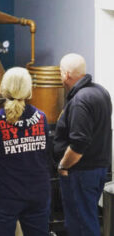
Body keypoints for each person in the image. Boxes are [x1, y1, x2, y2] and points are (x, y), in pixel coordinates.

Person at [0, 67, 51, 236]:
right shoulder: (41, 117)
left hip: (4, 195)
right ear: (29, 90)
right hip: (37, 191)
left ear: (3, 89)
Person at [53, 53, 112, 236]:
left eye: (61, 72)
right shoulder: (100, 91)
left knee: (81, 224)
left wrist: (63, 165)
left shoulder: (80, 101)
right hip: (98, 168)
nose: (60, 76)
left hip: (80, 172)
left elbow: (79, 143)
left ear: (67, 74)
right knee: (88, 217)